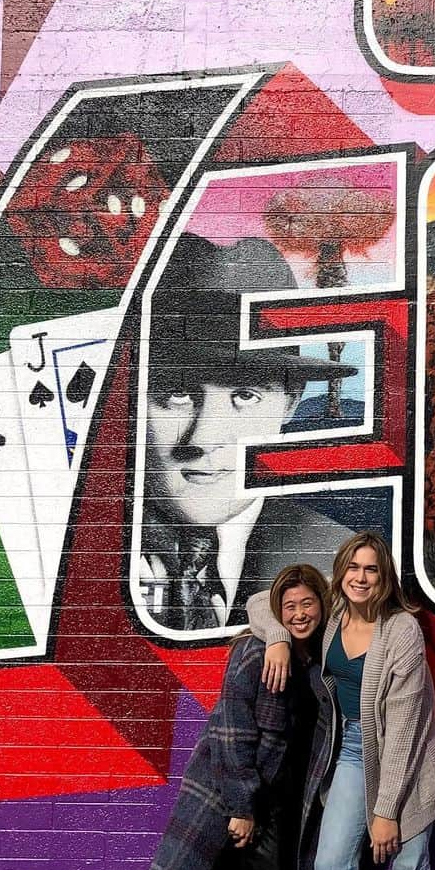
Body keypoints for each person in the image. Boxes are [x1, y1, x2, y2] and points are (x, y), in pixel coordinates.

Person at [247, 531, 435, 870]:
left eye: (371, 569)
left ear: (385, 578)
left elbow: (402, 732)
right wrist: (276, 640)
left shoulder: (402, 631)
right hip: (353, 754)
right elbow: (260, 601)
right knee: (329, 867)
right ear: (341, 572)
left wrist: (386, 813)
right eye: (353, 567)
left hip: (410, 763)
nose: (360, 577)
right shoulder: (332, 617)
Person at [136, 231, 359, 634]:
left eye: (245, 395)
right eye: (177, 394)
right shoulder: (69, 552)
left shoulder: (343, 565)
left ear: (290, 402)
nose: (204, 438)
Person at [144, 562, 335, 870]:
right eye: (289, 606)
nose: (300, 613)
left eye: (308, 603)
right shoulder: (254, 652)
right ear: (277, 611)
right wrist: (242, 805)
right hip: (223, 782)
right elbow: (233, 732)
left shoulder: (321, 657)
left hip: (281, 793)